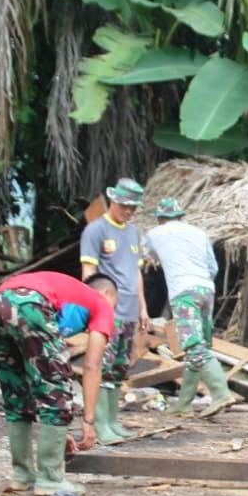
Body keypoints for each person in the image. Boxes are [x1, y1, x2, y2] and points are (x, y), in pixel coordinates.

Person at [0, 271, 117, 495]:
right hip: (29, 304)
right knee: (58, 388)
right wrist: (88, 421)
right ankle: (50, 479)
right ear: (107, 293)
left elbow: (36, 374)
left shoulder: (69, 298)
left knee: (17, 393)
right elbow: (92, 366)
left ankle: (22, 476)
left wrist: (55, 429)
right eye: (116, 303)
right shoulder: (100, 303)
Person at [145, 198, 236, 418]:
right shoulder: (199, 233)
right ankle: (184, 403)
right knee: (200, 346)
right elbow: (212, 267)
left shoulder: (154, 234)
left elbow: (150, 258)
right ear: (181, 216)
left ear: (160, 218)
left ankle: (221, 393)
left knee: (194, 346)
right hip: (206, 290)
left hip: (183, 293)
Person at [80, 177, 149, 445]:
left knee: (119, 368)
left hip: (131, 308)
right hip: (108, 309)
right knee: (102, 366)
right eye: (124, 205)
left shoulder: (133, 232)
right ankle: (99, 423)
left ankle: (111, 421)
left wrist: (143, 307)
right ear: (113, 201)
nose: (128, 211)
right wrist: (94, 307)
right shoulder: (96, 231)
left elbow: (137, 272)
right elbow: (89, 271)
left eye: (133, 207)